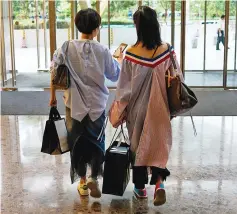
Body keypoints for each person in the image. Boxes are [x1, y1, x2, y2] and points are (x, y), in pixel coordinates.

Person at [110, 6, 183, 206]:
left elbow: (124, 89)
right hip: (161, 109)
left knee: (138, 147)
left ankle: (140, 188)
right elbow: (178, 78)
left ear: (138, 26)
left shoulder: (131, 54)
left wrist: (119, 110)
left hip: (137, 111)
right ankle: (159, 184)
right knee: (159, 146)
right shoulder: (167, 50)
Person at [49, 8, 122, 198]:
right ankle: (94, 177)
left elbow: (54, 70)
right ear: (96, 29)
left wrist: (53, 96)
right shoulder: (102, 50)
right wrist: (119, 60)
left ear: (78, 26)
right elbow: (115, 75)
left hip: (74, 105)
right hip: (97, 105)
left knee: (77, 143)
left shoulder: (66, 47)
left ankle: (82, 182)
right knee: (97, 141)